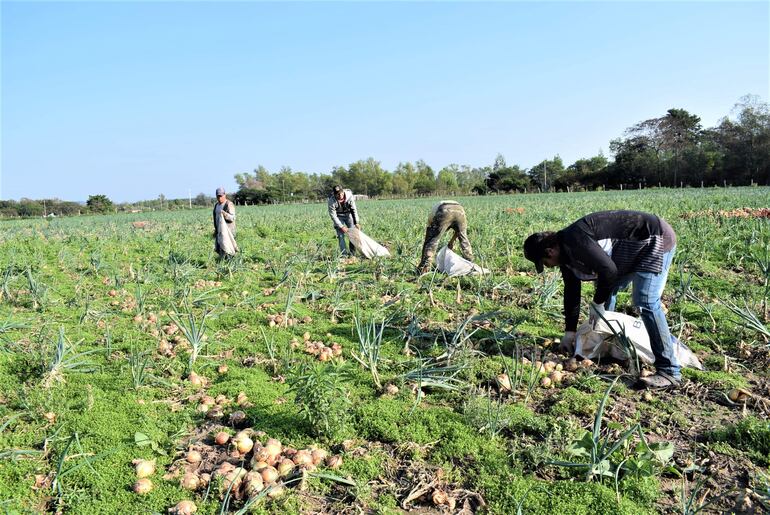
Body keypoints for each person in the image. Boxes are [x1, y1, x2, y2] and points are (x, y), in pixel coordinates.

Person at [523, 210, 679, 389]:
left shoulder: (575, 240)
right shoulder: (565, 256)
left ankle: (669, 370)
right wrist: (570, 332)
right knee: (605, 291)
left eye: (545, 263)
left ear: (550, 251)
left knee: (645, 300)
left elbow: (609, 272)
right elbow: (572, 291)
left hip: (653, 238)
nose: (548, 267)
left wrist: (597, 304)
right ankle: (605, 347)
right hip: (629, 250)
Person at [417, 200, 473, 274]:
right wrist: (451, 242)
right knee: (464, 239)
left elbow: (429, 240)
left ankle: (424, 267)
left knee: (432, 241)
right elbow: (458, 232)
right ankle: (470, 263)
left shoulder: (431, 220)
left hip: (444, 209)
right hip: (459, 209)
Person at [327, 185, 360, 257]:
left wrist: (356, 222)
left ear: (343, 191)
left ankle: (352, 253)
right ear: (334, 194)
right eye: (337, 194)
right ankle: (344, 255)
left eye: (341, 193)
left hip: (348, 215)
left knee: (353, 233)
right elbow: (333, 215)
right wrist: (341, 226)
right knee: (340, 235)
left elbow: (353, 209)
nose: (340, 195)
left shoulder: (349, 196)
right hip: (338, 217)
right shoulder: (331, 201)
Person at [213, 187, 237, 258]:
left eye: (221, 196)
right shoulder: (216, 205)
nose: (219, 198)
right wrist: (216, 230)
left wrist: (225, 214)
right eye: (218, 196)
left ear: (224, 195)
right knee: (220, 246)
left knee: (229, 247)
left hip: (228, 231)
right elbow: (216, 218)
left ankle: (230, 262)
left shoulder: (229, 204)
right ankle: (222, 261)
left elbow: (232, 218)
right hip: (219, 230)